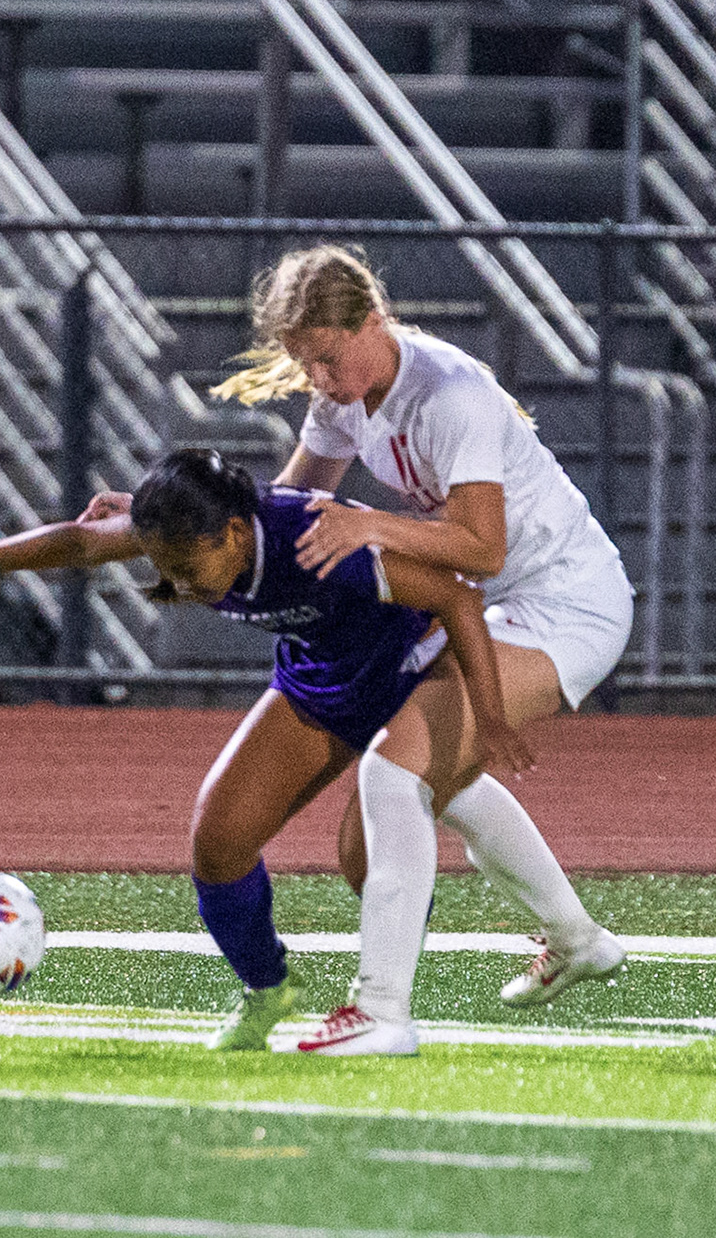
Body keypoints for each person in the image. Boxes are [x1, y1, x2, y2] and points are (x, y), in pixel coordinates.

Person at [83, 244, 629, 1018]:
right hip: (487, 603)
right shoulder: (345, 395)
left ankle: (379, 1013)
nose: (320, 380)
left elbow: (484, 548)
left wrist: (372, 524)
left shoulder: (450, 395)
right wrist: (164, 513)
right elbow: (282, 508)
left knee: (392, 777)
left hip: (568, 603)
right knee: (408, 795)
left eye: (329, 358)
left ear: (375, 321)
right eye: (305, 364)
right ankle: (577, 939)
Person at [0, 448, 531, 1055]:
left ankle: (401, 1001)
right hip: (320, 679)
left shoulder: (314, 541)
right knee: (219, 842)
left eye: (186, 569)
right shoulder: (185, 527)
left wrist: (490, 715)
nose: (178, 584)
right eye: (164, 568)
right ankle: (268, 988)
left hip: (408, 669)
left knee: (369, 860)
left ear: (235, 533)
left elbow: (456, 594)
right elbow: (82, 542)